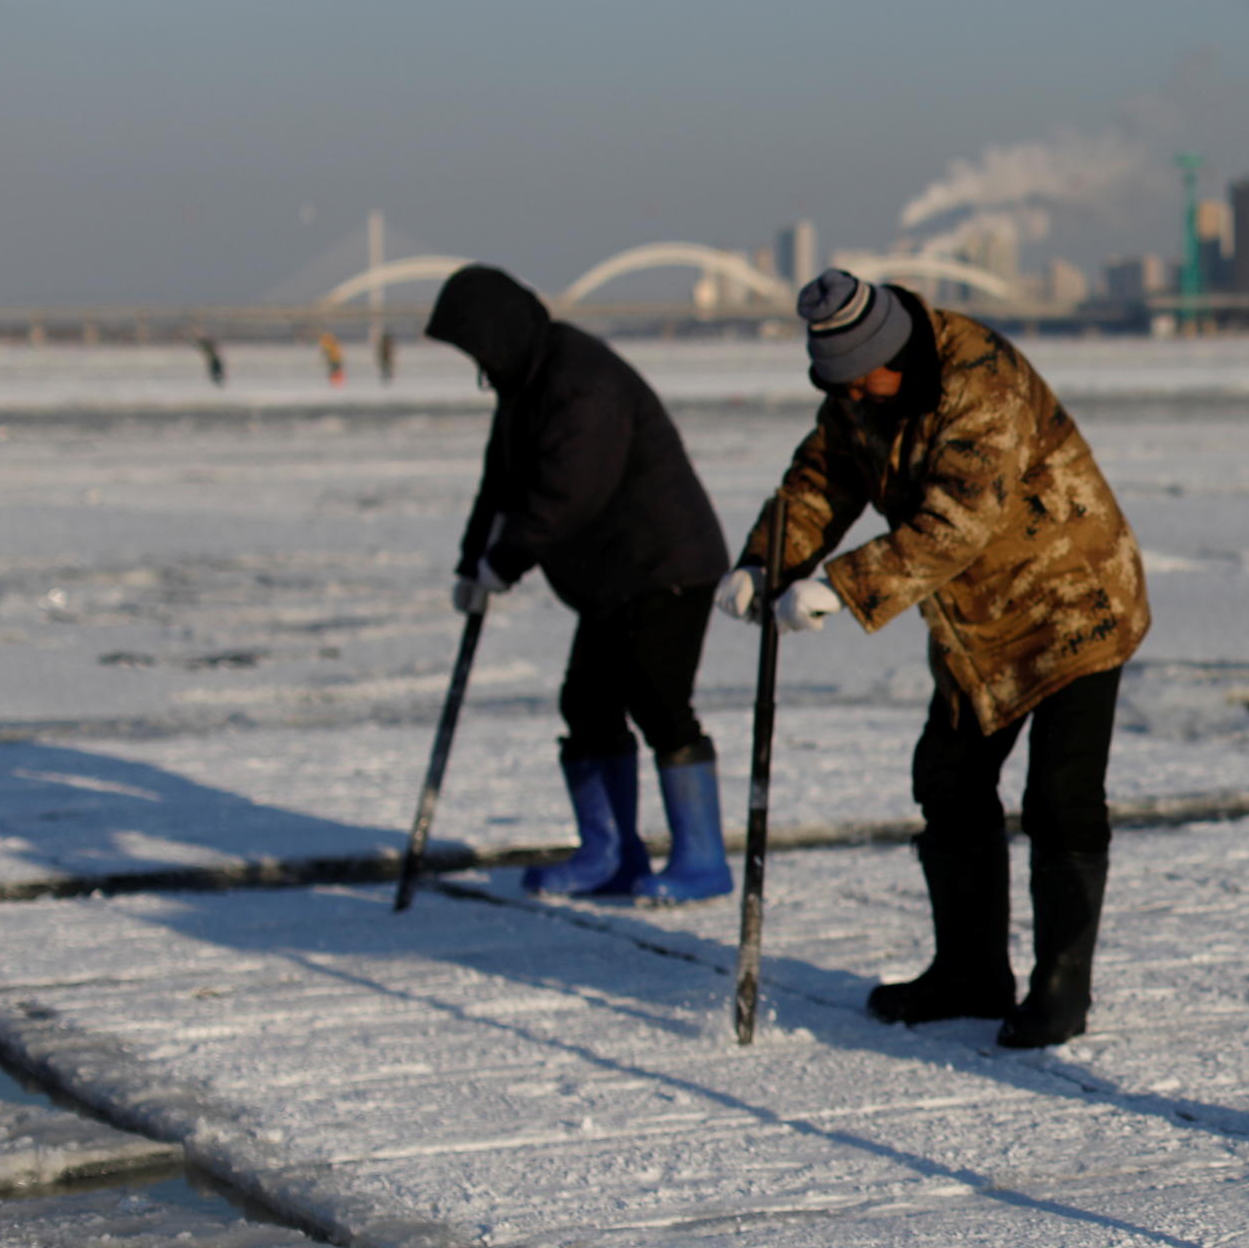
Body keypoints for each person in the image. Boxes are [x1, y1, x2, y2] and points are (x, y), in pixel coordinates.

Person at [730, 271, 1148, 1049]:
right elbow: (821, 479)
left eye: (861, 381)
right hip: (974, 621)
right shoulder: (862, 394)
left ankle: (1062, 989)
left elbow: (957, 523)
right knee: (949, 780)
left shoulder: (981, 381)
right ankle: (971, 973)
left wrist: (842, 589)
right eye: (838, 385)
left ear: (897, 355)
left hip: (1072, 605)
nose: (852, 396)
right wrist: (766, 562)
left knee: (1062, 798)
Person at [425, 264, 735, 904]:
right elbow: (502, 483)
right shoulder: (526, 382)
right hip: (609, 578)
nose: (476, 362)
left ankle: (702, 860)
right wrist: (470, 561)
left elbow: (567, 493)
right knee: (588, 705)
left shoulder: (580, 382)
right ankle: (610, 854)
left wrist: (503, 563)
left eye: (475, 347)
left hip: (664, 566)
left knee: (658, 703)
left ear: (500, 332)